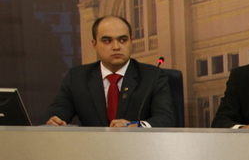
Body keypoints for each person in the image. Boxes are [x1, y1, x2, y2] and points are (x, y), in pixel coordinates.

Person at [45, 15, 175, 127]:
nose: (116, 47)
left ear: (131, 41)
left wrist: (139, 126)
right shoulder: (77, 77)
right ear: (94, 44)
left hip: (137, 150)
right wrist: (53, 122)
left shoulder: (152, 76)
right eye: (107, 41)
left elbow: (166, 119)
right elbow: (55, 114)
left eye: (123, 40)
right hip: (92, 152)